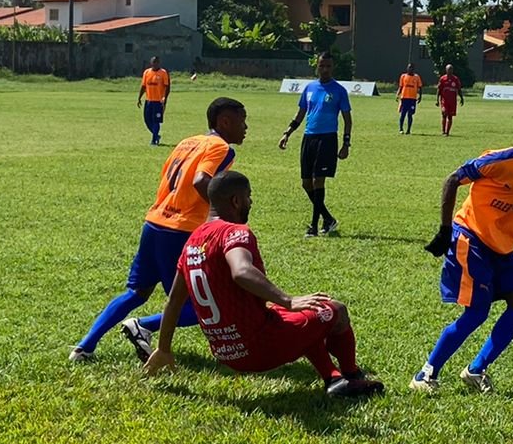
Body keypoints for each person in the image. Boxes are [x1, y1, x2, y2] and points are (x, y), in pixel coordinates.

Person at [142, 172, 384, 399]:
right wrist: (288, 300)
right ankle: (352, 376)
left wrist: (164, 348)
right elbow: (241, 271)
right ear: (235, 201)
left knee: (296, 317)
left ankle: (333, 378)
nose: (251, 201)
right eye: (248, 196)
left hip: (226, 353)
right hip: (259, 347)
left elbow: (173, 300)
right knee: (336, 309)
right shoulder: (234, 232)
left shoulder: (192, 242)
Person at [70, 97, 246, 362]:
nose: (246, 127)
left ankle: (84, 347)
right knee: (207, 306)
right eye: (242, 121)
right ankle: (144, 325)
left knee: (136, 292)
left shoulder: (188, 141)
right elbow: (201, 180)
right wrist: (223, 216)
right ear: (225, 121)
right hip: (180, 230)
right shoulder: (221, 148)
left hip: (154, 223)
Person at [410, 109, 513, 394]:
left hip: (503, 247)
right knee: (477, 312)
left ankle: (476, 369)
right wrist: (445, 231)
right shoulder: (502, 160)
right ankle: (425, 373)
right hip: (470, 237)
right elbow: (452, 180)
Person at [279, 52, 351, 237]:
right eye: (322, 66)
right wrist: (287, 132)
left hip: (327, 139)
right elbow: (301, 113)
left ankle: (314, 226)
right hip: (308, 138)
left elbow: (347, 118)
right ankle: (328, 218)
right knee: (306, 183)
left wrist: (346, 143)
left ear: (332, 67)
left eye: (328, 66)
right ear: (317, 66)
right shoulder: (309, 88)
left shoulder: (339, 90)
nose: (325, 69)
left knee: (318, 180)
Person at [137, 55, 171, 145]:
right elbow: (143, 86)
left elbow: (167, 86)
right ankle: (156, 135)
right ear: (151, 63)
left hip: (158, 101)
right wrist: (139, 97)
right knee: (147, 120)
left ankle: (154, 140)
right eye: (153, 62)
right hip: (149, 101)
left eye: (156, 62)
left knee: (156, 121)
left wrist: (165, 97)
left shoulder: (163, 73)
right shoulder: (147, 72)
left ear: (159, 63)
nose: (155, 64)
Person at [436, 63, 465, 136]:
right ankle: (443, 131)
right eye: (448, 69)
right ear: (446, 70)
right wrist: (437, 100)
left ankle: (447, 132)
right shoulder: (443, 79)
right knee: (444, 114)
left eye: (451, 69)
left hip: (452, 101)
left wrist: (461, 98)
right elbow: (439, 90)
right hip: (444, 100)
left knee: (450, 116)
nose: (450, 71)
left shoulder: (455, 79)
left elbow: (459, 89)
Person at [397, 63, 423, 134]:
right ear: (407, 68)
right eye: (409, 68)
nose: (410, 69)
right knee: (403, 114)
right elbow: (401, 86)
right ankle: (401, 128)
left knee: (410, 114)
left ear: (413, 69)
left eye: (411, 68)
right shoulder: (403, 76)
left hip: (412, 99)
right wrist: (397, 94)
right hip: (404, 98)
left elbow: (420, 87)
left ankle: (408, 130)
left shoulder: (417, 77)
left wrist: (420, 96)